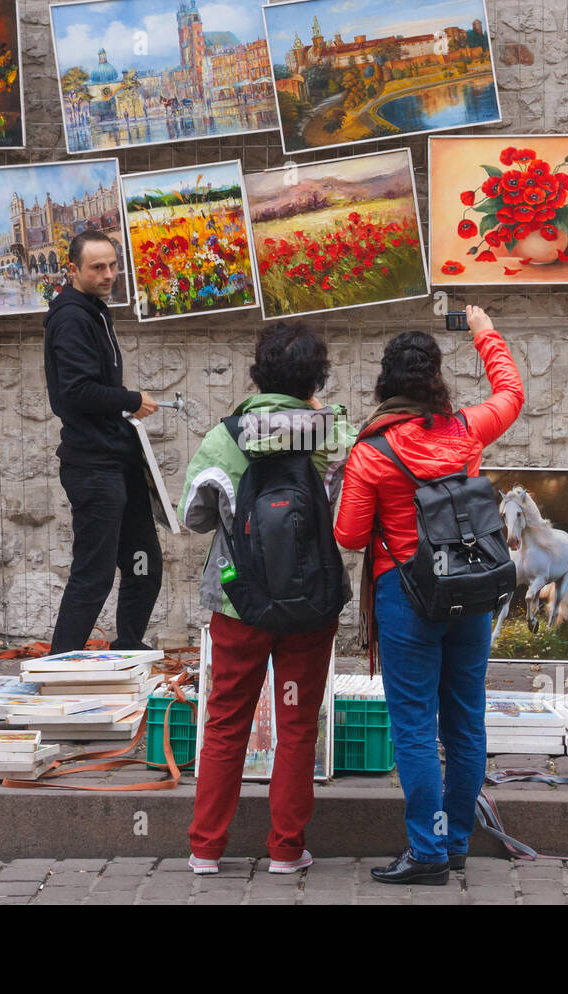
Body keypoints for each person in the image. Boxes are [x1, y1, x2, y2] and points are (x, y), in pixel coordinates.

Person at [334, 306, 524, 885]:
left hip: (405, 596)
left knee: (414, 725)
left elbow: (346, 534)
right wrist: (484, 331)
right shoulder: (467, 430)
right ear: (437, 379)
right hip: (470, 588)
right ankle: (457, 841)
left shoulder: (372, 453)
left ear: (385, 384)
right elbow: (511, 392)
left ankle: (428, 850)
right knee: (464, 720)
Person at [178, 321, 356, 876]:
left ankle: (206, 849)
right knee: (298, 723)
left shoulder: (225, 437)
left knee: (226, 720)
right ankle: (286, 850)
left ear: (256, 372)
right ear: (315, 378)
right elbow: (351, 510)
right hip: (310, 607)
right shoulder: (331, 434)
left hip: (238, 605)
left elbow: (195, 517)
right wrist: (320, 412)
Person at [43, 230, 161, 653]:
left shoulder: (94, 310)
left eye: (113, 265)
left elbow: (94, 387)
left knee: (143, 562)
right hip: (93, 467)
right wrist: (131, 400)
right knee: (92, 574)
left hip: (117, 461)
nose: (109, 274)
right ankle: (57, 667)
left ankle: (128, 648)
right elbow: (75, 392)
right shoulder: (71, 318)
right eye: (98, 267)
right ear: (73, 270)